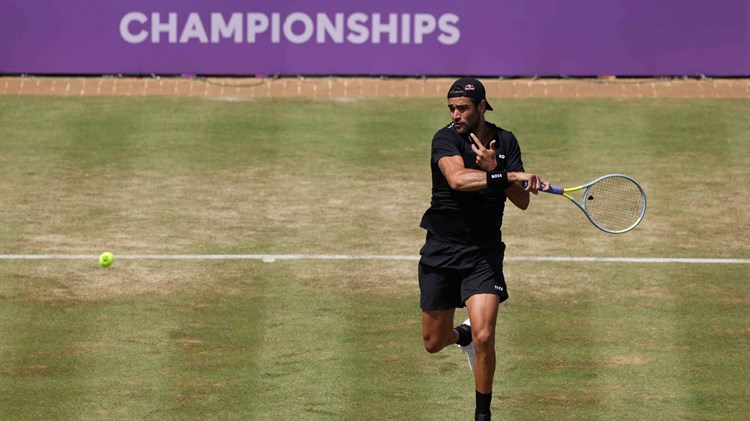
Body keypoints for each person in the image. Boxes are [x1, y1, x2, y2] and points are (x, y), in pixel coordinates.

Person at [418, 77, 549, 421]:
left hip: (483, 253)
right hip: (442, 250)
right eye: (451, 108)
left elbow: (521, 201)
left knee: (485, 335)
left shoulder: (506, 140)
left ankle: (482, 415)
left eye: (462, 108)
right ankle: (458, 335)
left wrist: (502, 169)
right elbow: (458, 180)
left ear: (481, 107)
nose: (455, 115)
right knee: (433, 342)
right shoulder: (445, 138)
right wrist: (502, 175)